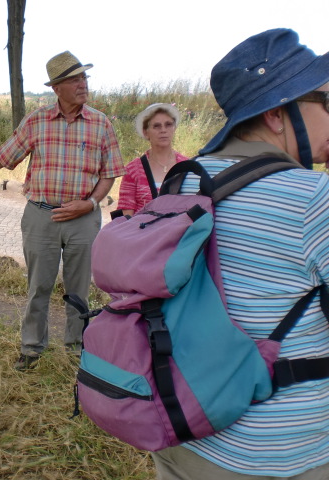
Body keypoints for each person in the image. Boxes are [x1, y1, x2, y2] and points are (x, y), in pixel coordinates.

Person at [150, 29, 329, 479]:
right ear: (275, 114)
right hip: (276, 455)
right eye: (327, 102)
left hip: (178, 429)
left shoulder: (183, 178)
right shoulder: (315, 199)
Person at [0, 51, 124, 370]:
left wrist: (91, 203)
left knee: (79, 288)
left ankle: (77, 347)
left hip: (84, 218)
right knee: (39, 285)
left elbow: (109, 172)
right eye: (75, 79)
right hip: (42, 216)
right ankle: (32, 348)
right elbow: (2, 157)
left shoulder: (100, 123)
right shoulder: (37, 121)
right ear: (57, 87)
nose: (83, 84)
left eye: (84, 77)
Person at [115, 103, 189, 216]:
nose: (163, 130)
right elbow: (126, 216)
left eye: (168, 124)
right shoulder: (133, 170)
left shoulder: (187, 166)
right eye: (156, 126)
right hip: (142, 232)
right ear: (146, 132)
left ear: (174, 128)